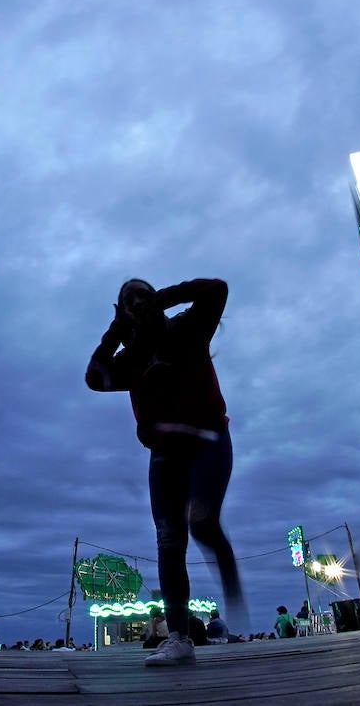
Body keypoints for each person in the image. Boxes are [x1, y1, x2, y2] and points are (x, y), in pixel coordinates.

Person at [86, 277, 244, 666]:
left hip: (209, 439)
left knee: (202, 524)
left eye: (143, 292)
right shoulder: (131, 357)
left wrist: (159, 299)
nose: (138, 301)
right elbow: (95, 377)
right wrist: (118, 329)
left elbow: (216, 289)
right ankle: (178, 637)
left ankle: (230, 583)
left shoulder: (188, 327)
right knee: (168, 540)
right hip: (164, 455)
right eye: (129, 299)